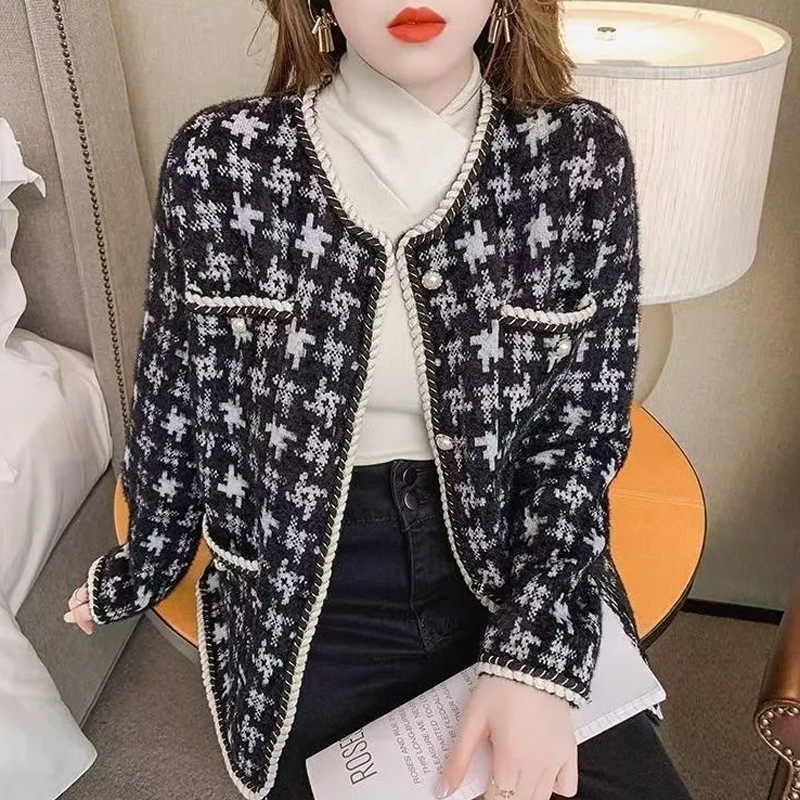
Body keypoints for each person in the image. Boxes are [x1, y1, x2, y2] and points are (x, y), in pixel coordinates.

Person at [63, 1, 694, 798]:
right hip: (310, 586)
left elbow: (578, 437)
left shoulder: (576, 157)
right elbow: (175, 399)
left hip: (511, 560)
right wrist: (141, 566)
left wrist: (531, 661)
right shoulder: (224, 161)